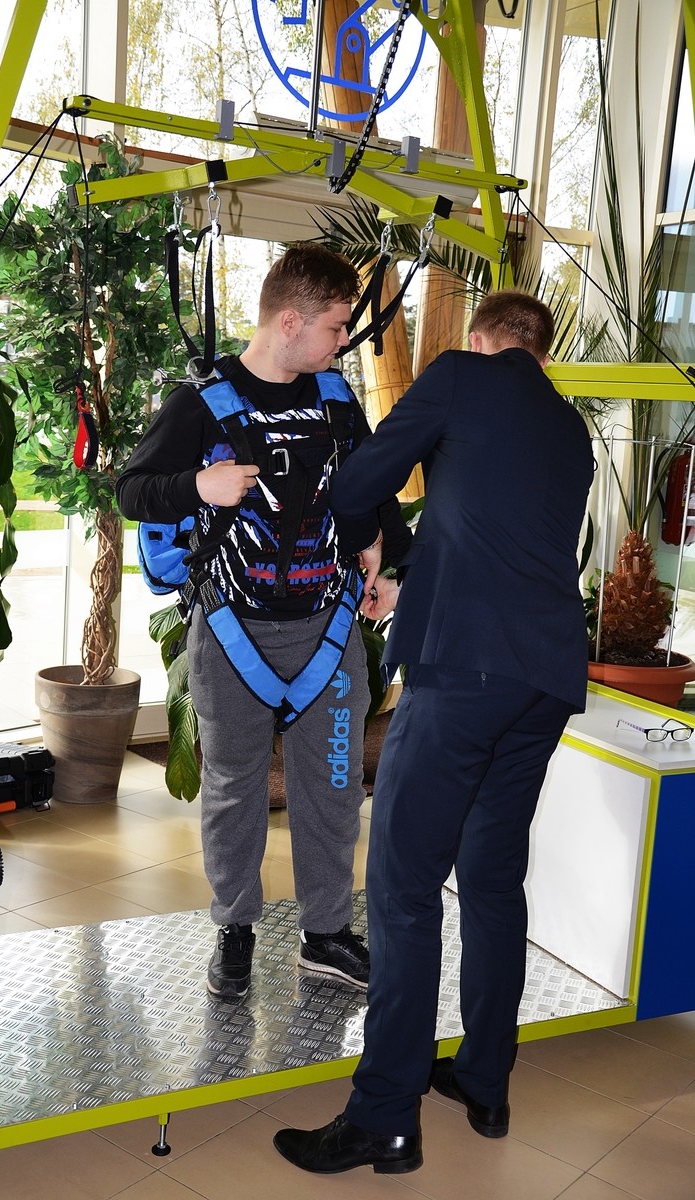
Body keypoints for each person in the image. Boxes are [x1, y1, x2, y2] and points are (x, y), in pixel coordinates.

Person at [273, 289, 594, 1174]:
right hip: (544, 679)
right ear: (540, 352)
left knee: (403, 889)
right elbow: (495, 537)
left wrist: (371, 547)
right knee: (491, 880)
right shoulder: (570, 430)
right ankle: (484, 1081)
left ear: (483, 341)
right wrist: (410, 571)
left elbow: (358, 485)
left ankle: (384, 1115)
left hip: (463, 674)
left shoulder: (459, 376)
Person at [116, 243, 412, 1002]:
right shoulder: (199, 405)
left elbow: (373, 490)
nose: (342, 341)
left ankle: (326, 936)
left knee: (335, 787)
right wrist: (199, 484)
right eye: (335, 327)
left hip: (328, 632)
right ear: (290, 322)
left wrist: (388, 565)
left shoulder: (338, 403)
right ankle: (235, 930)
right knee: (234, 787)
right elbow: (132, 491)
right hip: (232, 633)